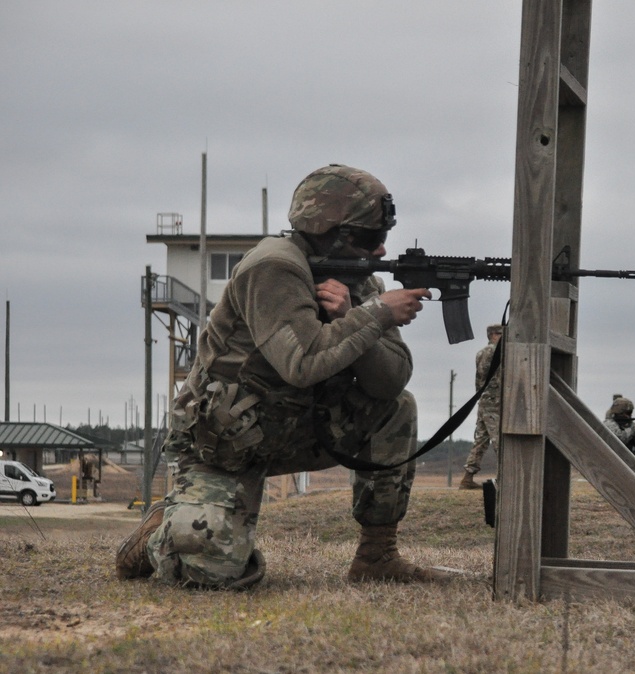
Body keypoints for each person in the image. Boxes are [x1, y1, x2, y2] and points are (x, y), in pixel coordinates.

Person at [115, 164, 450, 589]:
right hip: (224, 442)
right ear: (329, 231)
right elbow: (302, 362)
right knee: (210, 573)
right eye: (370, 239)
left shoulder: (358, 279)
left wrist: (356, 315)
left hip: (297, 428)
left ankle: (377, 555)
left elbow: (391, 381)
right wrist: (377, 313)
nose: (381, 251)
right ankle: (156, 535)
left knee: (396, 409)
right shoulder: (272, 267)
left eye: (382, 237)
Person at [459, 324, 503, 489]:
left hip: (485, 399)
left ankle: (468, 477)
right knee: (500, 440)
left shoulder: (481, 353)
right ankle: (505, 477)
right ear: (492, 335)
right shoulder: (495, 352)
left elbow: (479, 380)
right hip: (495, 400)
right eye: (500, 334)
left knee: (481, 440)